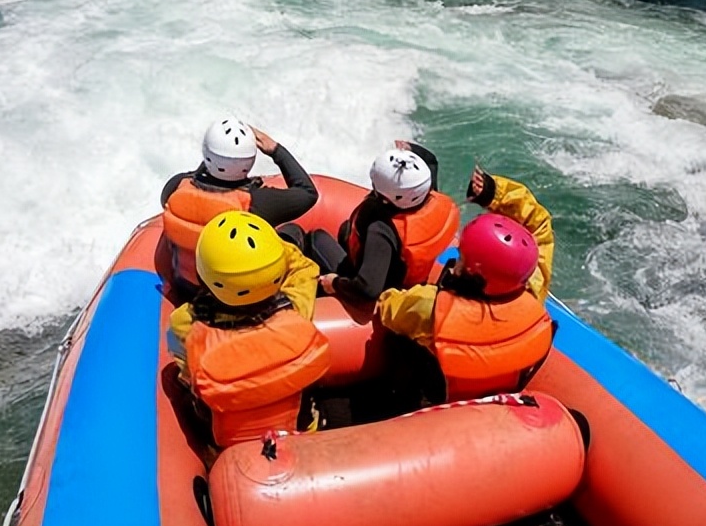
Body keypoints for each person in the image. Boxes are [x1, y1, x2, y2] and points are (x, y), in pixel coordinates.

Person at [374, 166, 557, 403]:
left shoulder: (430, 308)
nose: (456, 260)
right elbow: (540, 226)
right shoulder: (532, 292)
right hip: (498, 395)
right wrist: (495, 193)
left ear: (472, 272)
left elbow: (389, 308)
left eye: (461, 257)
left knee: (397, 343)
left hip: (445, 401)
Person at [167, 210, 331, 450]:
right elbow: (304, 268)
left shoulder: (184, 323)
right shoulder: (296, 307)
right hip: (300, 433)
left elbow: (183, 369)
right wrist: (267, 254)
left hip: (227, 449)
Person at [283, 141, 459, 306]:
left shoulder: (381, 229)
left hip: (387, 290)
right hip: (412, 275)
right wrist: (411, 150)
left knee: (315, 238)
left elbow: (368, 289)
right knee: (346, 229)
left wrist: (335, 283)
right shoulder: (430, 195)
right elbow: (430, 160)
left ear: (386, 199)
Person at [159, 117, 318, 294]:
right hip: (231, 297)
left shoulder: (176, 186)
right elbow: (308, 193)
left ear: (206, 154)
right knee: (292, 232)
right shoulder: (257, 203)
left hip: (186, 287)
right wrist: (276, 150)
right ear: (250, 160)